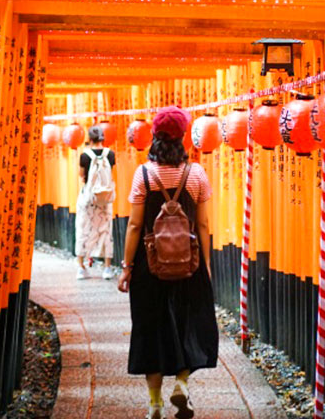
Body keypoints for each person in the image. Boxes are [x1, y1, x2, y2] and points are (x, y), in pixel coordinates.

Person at [118, 106, 218, 419]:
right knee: (190, 325)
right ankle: (183, 385)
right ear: (185, 135)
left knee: (151, 329)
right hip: (189, 263)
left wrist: (127, 267)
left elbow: (134, 225)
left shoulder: (143, 174)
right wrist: (206, 265)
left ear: (155, 136)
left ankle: (154, 404)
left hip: (150, 266)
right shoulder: (196, 173)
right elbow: (202, 225)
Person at [75, 125, 116, 280]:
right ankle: (107, 268)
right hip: (105, 199)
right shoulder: (110, 154)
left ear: (89, 139)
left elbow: (81, 175)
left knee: (83, 229)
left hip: (88, 197)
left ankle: (81, 267)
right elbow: (112, 175)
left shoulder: (84, 156)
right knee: (106, 230)